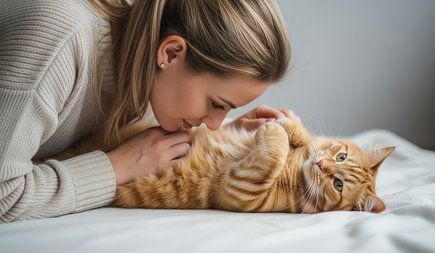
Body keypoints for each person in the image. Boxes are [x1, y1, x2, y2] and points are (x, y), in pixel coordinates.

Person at [0, 0, 298, 222]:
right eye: (217, 104)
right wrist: (114, 168)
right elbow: (4, 195)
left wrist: (232, 134)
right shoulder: (58, 39)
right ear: (170, 53)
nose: (215, 123)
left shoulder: (142, 52)